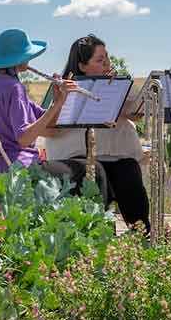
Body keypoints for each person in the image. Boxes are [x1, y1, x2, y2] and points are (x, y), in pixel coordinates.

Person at [43, 34, 152, 233]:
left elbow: (136, 113)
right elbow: (47, 129)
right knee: (94, 177)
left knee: (129, 174)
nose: (106, 64)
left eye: (107, 59)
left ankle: (142, 236)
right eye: (100, 60)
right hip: (77, 157)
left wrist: (120, 91)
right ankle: (100, 239)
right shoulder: (62, 88)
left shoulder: (117, 85)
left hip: (117, 156)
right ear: (82, 66)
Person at [0, 28, 79, 178]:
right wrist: (57, 104)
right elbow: (24, 139)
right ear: (18, 58)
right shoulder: (14, 87)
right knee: (88, 170)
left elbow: (48, 123)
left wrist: (56, 99)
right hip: (16, 169)